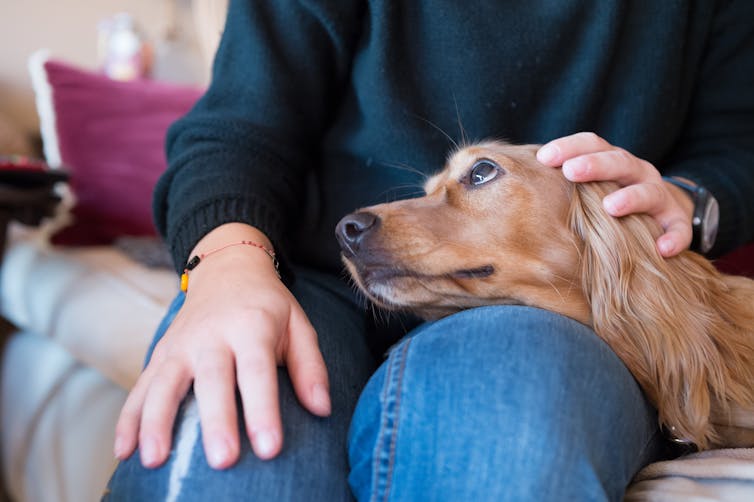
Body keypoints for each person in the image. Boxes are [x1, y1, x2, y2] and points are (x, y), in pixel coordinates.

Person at [104, 1, 754, 500]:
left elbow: (738, 146)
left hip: (561, 315)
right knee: (235, 456)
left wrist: (687, 200)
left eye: (477, 179)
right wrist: (228, 267)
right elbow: (238, 127)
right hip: (304, 282)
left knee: (501, 403)